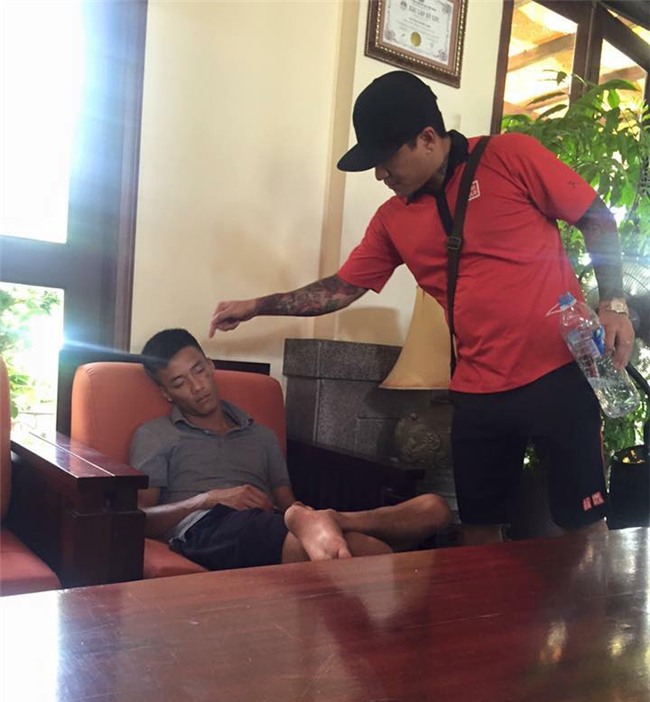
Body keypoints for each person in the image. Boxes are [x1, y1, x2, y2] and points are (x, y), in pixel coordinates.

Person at [209, 70, 635, 546]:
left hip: (556, 373)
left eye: (386, 159)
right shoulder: (392, 220)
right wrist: (257, 306)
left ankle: (591, 599)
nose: (380, 174)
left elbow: (596, 218)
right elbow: (342, 288)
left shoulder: (510, 156)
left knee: (584, 524)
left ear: (428, 139)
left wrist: (613, 304)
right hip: (478, 390)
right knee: (478, 529)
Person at [130, 328, 451, 571]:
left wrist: (302, 513)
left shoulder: (261, 435)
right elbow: (139, 520)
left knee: (434, 507)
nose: (197, 386)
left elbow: (287, 504)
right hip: (207, 528)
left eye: (199, 370)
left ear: (210, 365)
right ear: (166, 393)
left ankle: (335, 519)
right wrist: (208, 498)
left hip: (272, 522)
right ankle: (338, 524)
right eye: (179, 383)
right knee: (366, 550)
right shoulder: (155, 435)